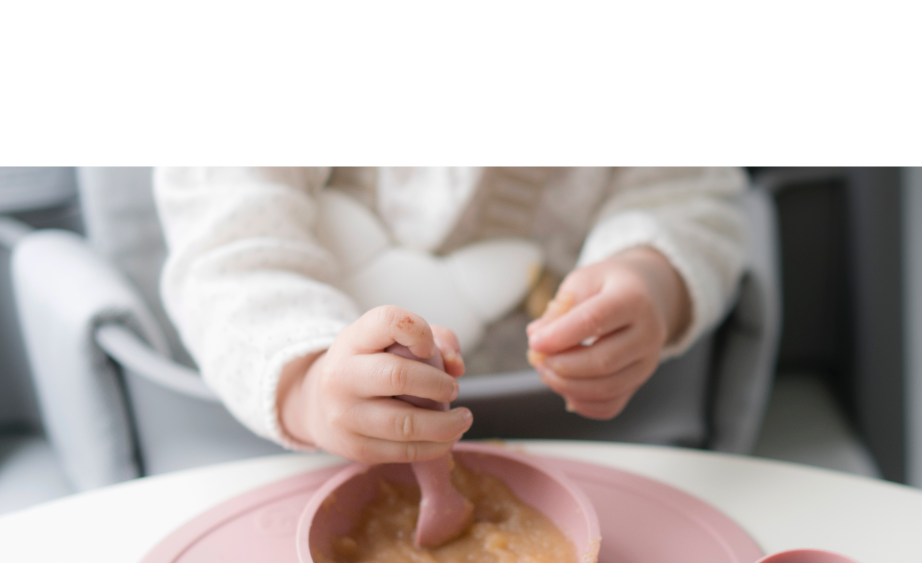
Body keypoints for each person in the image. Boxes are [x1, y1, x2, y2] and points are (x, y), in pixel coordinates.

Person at [155, 167, 748, 463]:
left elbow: (688, 199)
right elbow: (231, 256)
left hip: (580, 434)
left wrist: (649, 277)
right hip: (308, 449)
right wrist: (308, 388)